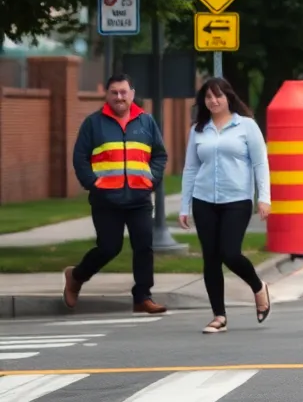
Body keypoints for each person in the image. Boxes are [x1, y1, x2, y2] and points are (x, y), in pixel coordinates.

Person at [62, 74, 169, 314]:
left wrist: (151, 179)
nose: (119, 97)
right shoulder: (93, 123)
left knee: (144, 246)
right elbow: (80, 158)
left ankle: (142, 297)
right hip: (106, 199)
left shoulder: (146, 122)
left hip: (139, 198)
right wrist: (93, 183)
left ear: (132, 93)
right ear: (107, 95)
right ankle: (76, 276)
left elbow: (160, 155)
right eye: (114, 92)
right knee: (109, 247)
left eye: (123, 92)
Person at [178, 78, 273, 332]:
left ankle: (257, 286)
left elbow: (260, 163)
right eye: (208, 97)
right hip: (204, 200)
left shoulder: (247, 126)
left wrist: (264, 197)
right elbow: (190, 168)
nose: (213, 101)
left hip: (237, 200)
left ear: (228, 97)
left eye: (218, 96)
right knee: (211, 258)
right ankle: (219, 316)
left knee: (230, 253)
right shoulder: (198, 129)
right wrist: (184, 205)